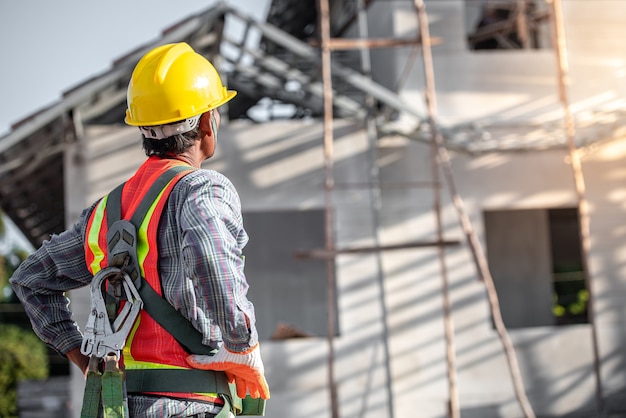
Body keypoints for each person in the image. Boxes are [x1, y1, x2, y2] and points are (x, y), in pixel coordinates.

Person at [10, 42, 269, 417]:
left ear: (144, 130)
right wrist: (242, 345)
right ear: (207, 123)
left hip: (116, 407)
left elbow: (31, 279)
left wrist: (86, 360)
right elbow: (210, 256)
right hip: (189, 406)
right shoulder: (202, 189)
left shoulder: (103, 214)